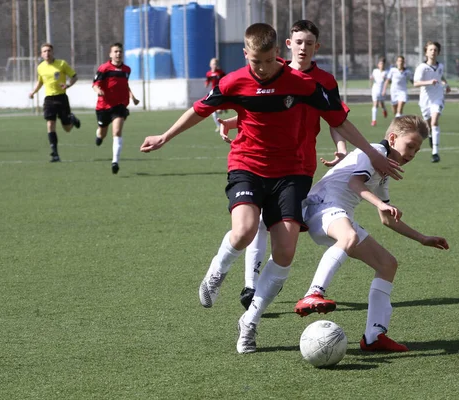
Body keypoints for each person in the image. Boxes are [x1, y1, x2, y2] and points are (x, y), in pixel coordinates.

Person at [140, 23, 401, 355]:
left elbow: (339, 120)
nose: (261, 69)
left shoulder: (303, 84)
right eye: (255, 62)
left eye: (267, 61)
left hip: (292, 174)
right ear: (245, 54)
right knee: (245, 231)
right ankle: (217, 271)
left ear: (277, 54)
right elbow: (199, 110)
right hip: (247, 165)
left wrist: (373, 155)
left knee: (286, 251)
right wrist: (164, 136)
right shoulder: (233, 81)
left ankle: (249, 322)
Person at [216, 20, 400, 311]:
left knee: (271, 224)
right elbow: (259, 110)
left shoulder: (323, 82)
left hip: (298, 165)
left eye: (309, 43)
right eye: (298, 42)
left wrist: (341, 148)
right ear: (287, 45)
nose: (303, 48)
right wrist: (233, 120)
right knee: (256, 221)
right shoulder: (269, 72)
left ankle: (257, 289)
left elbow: (335, 119)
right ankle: (250, 285)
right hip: (263, 162)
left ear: (317, 46)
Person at [295, 115, 449, 352]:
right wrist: (380, 203)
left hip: (338, 214)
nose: (411, 154)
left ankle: (374, 335)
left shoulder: (385, 169)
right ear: (392, 138)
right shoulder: (376, 151)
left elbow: (387, 220)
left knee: (387, 264)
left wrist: (422, 238)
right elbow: (355, 184)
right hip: (321, 207)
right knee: (349, 236)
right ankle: (313, 293)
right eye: (410, 146)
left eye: (417, 151)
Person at [29, 43, 81, 162]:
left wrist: (67, 84)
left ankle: (72, 120)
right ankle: (55, 154)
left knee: (67, 128)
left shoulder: (61, 64)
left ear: (52, 52)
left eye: (49, 51)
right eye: (44, 51)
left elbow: (74, 76)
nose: (47, 53)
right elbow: (40, 82)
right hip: (49, 99)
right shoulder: (40, 67)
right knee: (50, 124)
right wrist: (33, 92)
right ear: (41, 54)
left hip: (61, 98)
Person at [92, 42, 140, 174]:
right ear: (110, 54)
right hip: (103, 106)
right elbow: (95, 83)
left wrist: (132, 97)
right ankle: (99, 136)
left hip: (119, 106)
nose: (118, 54)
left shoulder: (126, 70)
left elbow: (125, 86)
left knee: (117, 132)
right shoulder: (104, 68)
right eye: (115, 52)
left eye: (120, 52)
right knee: (103, 132)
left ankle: (115, 162)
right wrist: (98, 90)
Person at [413, 41, 450, 163]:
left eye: (435, 50)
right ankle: (430, 135)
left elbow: (441, 77)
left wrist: (446, 84)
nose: (433, 52)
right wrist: (429, 82)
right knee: (428, 125)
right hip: (425, 100)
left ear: (438, 52)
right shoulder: (422, 68)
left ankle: (435, 152)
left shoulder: (440, 66)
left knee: (434, 122)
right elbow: (415, 83)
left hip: (438, 98)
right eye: (430, 50)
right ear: (426, 52)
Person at [205, 58, 227, 132]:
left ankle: (222, 108)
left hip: (221, 92)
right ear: (210, 65)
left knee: (218, 110)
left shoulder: (220, 72)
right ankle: (219, 126)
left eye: (216, 64)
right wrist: (206, 84)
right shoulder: (209, 73)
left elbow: (225, 79)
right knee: (214, 112)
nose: (214, 65)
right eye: (213, 64)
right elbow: (208, 80)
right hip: (213, 93)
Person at [370, 57, 388, 126]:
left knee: (381, 104)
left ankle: (384, 110)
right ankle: (374, 120)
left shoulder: (386, 72)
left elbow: (387, 82)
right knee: (375, 104)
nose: (381, 65)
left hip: (382, 90)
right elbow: (372, 78)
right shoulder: (375, 71)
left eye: (383, 64)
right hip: (375, 90)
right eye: (380, 64)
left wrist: (384, 90)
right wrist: (371, 80)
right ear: (378, 65)